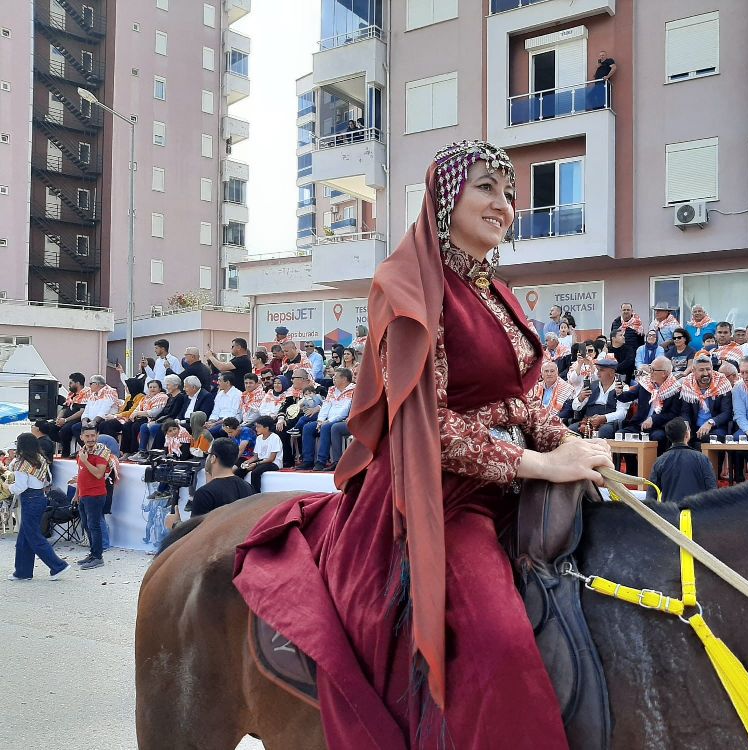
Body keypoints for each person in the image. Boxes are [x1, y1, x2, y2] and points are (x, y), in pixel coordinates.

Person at [234, 141, 613, 749]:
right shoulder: (407, 286)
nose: (503, 205)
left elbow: (522, 400)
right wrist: (541, 461)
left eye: (510, 194)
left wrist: (573, 447)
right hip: (439, 496)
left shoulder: (498, 291)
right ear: (447, 196)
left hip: (512, 480)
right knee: (501, 643)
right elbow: (428, 426)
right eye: (487, 188)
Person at [8, 433, 69, 581]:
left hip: (29, 499)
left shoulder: (21, 463)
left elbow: (20, 487)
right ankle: (23, 571)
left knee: (33, 536)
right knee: (24, 537)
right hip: (39, 497)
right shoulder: (41, 459)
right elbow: (49, 480)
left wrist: (7, 487)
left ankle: (58, 565)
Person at [616, 356, 681, 446]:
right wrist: (619, 393)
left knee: (658, 437)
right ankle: (633, 461)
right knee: (621, 434)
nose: (650, 373)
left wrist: (653, 419)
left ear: (664, 373)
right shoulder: (646, 383)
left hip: (658, 427)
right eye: (650, 369)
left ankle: (655, 460)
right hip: (639, 424)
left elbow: (672, 414)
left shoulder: (675, 389)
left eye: (653, 370)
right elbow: (628, 396)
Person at [648, 418, 717, 502]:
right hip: (696, 512)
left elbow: (651, 497)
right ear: (687, 435)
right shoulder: (702, 459)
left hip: (670, 512)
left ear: (668, 437)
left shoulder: (660, 461)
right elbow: (712, 491)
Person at [74, 425, 112, 570]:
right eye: (87, 436)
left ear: (97, 435)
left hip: (95, 495)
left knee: (94, 525)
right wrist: (77, 492)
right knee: (86, 525)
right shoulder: (82, 451)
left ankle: (98, 557)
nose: (90, 439)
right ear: (82, 437)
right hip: (84, 494)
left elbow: (98, 474)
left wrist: (85, 461)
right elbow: (80, 472)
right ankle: (93, 553)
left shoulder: (102, 452)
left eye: (93, 436)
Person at [303, 367, 355, 471]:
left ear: (344, 379)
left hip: (342, 420)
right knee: (308, 427)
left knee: (327, 427)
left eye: (336, 377)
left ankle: (321, 461)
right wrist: (320, 421)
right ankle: (307, 460)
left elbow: (344, 411)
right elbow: (326, 405)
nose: (333, 379)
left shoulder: (353, 389)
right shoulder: (332, 389)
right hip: (327, 420)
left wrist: (328, 421)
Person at [189, 438, 255, 517]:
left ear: (213, 458)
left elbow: (196, 528)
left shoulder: (204, 493)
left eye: (208, 454)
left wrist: (175, 523)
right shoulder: (248, 487)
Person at [563, 356, 628, 438]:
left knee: (604, 431)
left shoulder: (622, 388)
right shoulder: (592, 385)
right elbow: (575, 407)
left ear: (611, 372)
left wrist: (604, 418)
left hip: (609, 422)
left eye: (602, 370)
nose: (597, 373)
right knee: (570, 431)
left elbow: (622, 413)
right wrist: (580, 398)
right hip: (588, 420)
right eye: (597, 369)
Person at [677, 355, 733, 448]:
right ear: (693, 371)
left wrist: (710, 423)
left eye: (708, 369)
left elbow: (727, 413)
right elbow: (685, 412)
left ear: (712, 368)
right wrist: (686, 426)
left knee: (707, 439)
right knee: (679, 439)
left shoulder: (722, 382)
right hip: (695, 427)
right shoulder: (687, 384)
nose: (706, 373)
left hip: (716, 427)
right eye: (701, 370)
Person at [236, 416, 283, 491]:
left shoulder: (275, 438)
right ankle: (240, 491)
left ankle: (255, 493)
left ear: (266, 428)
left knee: (255, 472)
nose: (256, 429)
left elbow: (271, 458)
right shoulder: (259, 438)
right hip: (261, 461)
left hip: (274, 463)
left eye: (258, 427)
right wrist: (248, 462)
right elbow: (256, 456)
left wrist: (256, 464)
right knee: (240, 470)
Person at [205, 373, 242, 437]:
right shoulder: (219, 394)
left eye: (220, 381)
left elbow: (232, 415)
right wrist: (211, 421)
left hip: (231, 422)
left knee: (209, 433)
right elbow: (215, 411)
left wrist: (214, 424)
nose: (217, 382)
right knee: (201, 429)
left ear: (227, 382)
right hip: (218, 421)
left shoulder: (237, 394)